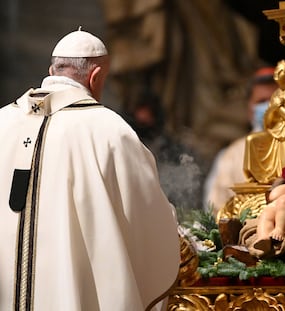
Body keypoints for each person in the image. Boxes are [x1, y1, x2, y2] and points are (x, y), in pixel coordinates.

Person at [0, 29, 180, 311]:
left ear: (52, 70)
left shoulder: (2, 122)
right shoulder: (109, 131)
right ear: (95, 77)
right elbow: (146, 217)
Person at [203, 66, 278, 216]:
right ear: (249, 108)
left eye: (274, 99)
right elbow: (214, 208)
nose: (269, 107)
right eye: (261, 101)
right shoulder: (231, 155)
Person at [244, 60, 285, 184]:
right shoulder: (277, 94)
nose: (277, 76)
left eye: (280, 72)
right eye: (261, 101)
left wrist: (281, 109)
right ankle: (254, 179)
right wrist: (273, 108)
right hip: (274, 133)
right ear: (249, 106)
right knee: (251, 140)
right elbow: (268, 122)